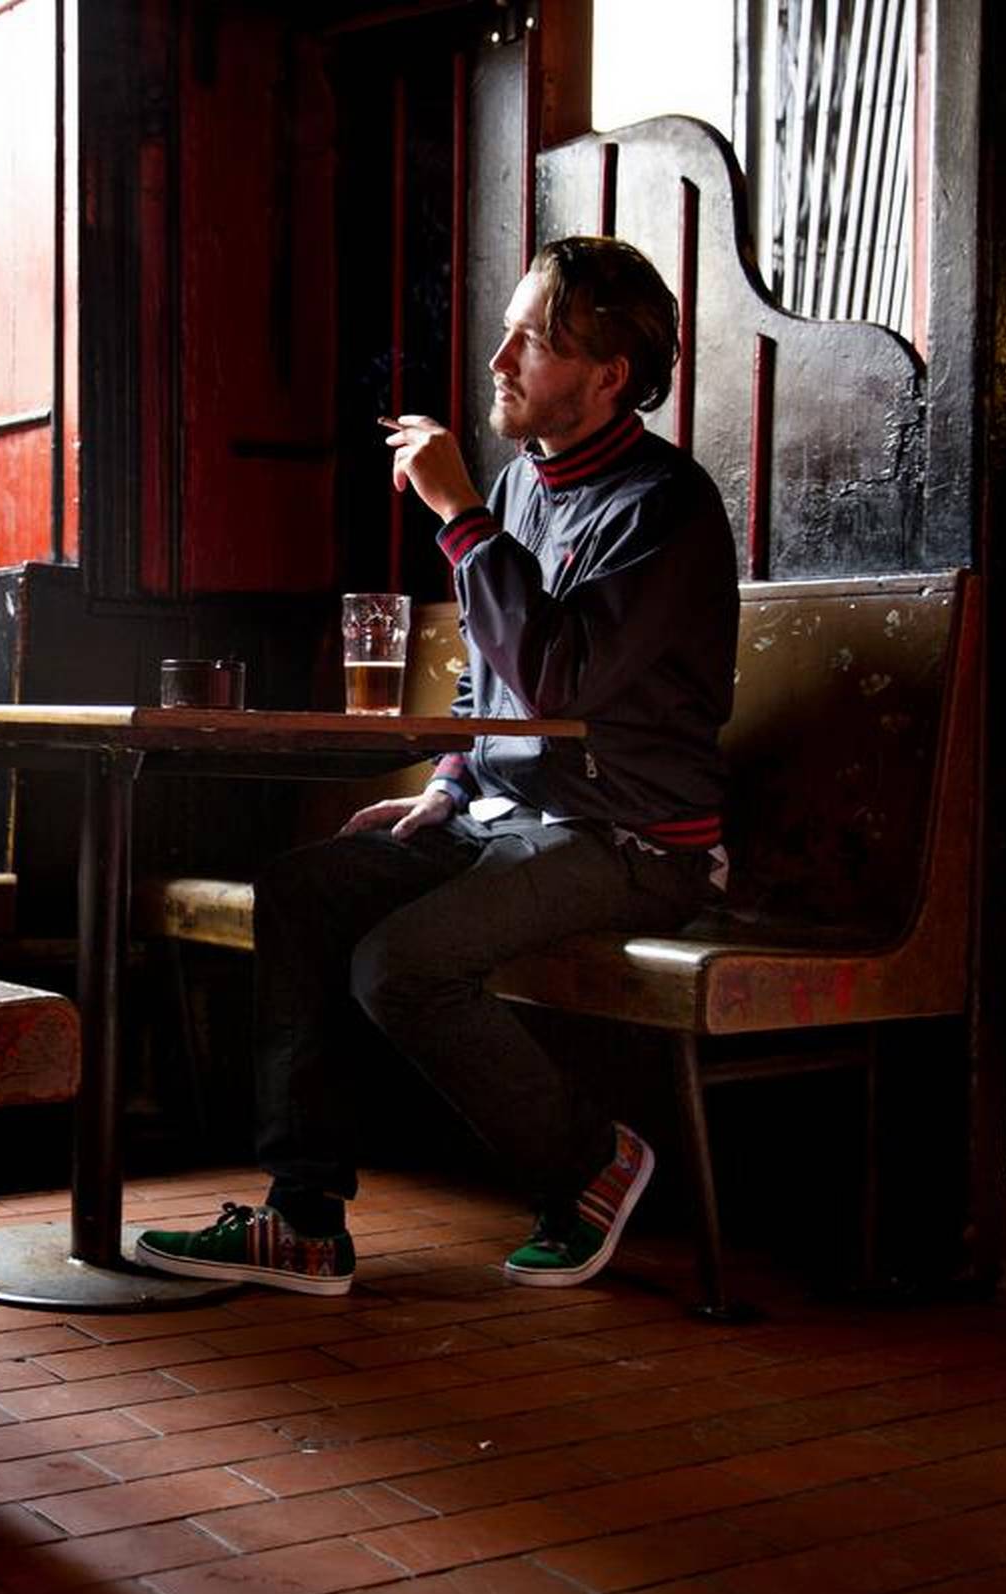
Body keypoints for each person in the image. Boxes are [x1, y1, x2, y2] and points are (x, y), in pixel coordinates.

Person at [133, 236, 736, 1297]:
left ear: (609, 376)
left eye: (533, 341)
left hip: (633, 839)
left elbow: (555, 680)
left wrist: (459, 516)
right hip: (508, 817)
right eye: (507, 331)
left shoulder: (664, 506)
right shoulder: (521, 485)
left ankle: (589, 1163)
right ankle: (302, 1221)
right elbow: (485, 682)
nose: (498, 360)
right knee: (303, 888)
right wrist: (450, 783)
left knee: (398, 965)